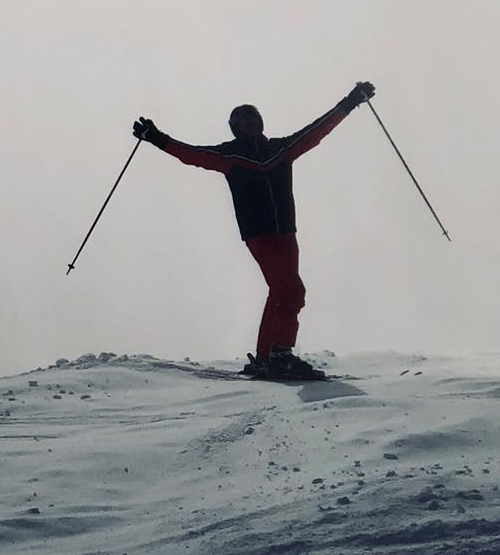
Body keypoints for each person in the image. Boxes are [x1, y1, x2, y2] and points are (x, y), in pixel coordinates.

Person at [130, 82, 375, 381]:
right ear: (235, 128)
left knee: (281, 291)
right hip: (260, 233)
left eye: (254, 117)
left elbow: (317, 130)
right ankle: (280, 355)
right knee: (292, 290)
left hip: (285, 230)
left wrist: (350, 102)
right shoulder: (231, 156)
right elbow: (191, 154)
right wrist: (156, 138)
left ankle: (266, 357)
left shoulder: (280, 149)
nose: (252, 122)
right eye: (244, 119)